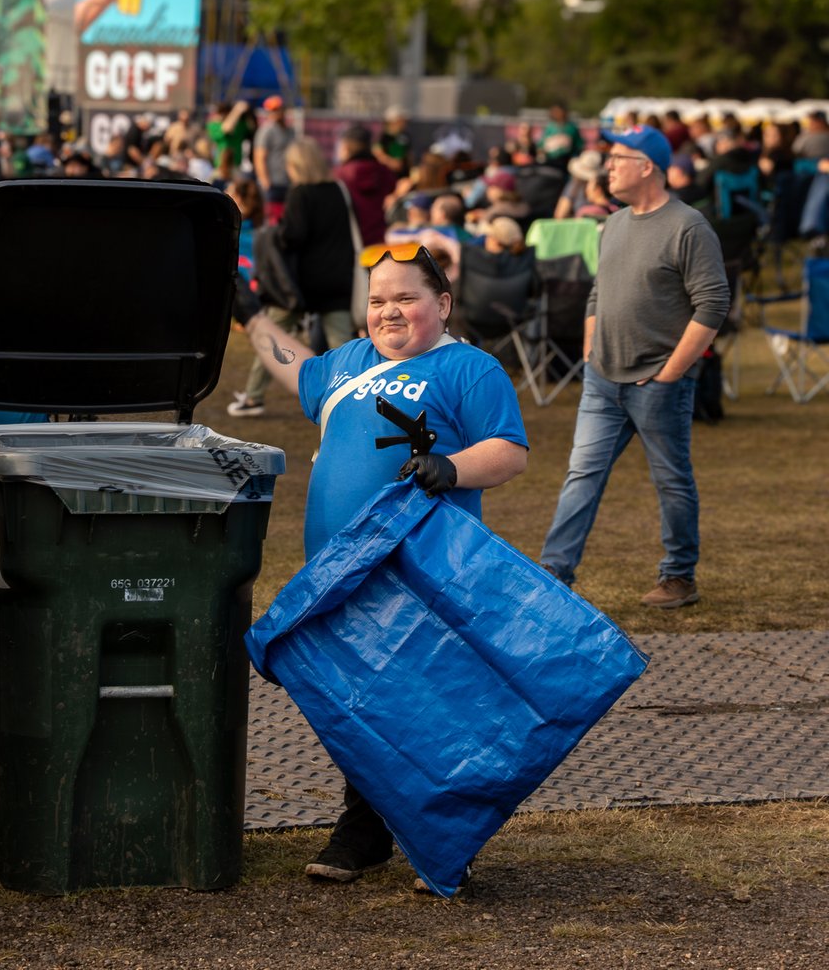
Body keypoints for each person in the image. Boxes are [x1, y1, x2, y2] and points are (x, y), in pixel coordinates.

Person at [233, 243, 529, 885]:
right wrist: (253, 317)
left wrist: (450, 468)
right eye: (376, 301)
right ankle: (363, 828)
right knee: (358, 700)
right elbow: (295, 366)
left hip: (425, 574)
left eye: (405, 298)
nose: (388, 312)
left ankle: (446, 837)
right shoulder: (346, 364)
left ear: (442, 304)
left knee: (430, 701)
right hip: (341, 575)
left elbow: (509, 451)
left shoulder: (469, 369)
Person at [538, 125, 730, 609]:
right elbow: (600, 291)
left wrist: (671, 373)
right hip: (603, 378)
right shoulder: (615, 222)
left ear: (647, 167)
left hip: (656, 383)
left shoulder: (688, 227)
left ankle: (679, 577)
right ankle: (554, 573)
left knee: (671, 479)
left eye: (617, 158)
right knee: (581, 474)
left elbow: (713, 304)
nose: (608, 166)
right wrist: (590, 347)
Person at [228, 137, 356, 418]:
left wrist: (275, 233)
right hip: (337, 279)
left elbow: (292, 237)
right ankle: (353, 399)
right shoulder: (337, 190)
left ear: (296, 165)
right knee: (345, 347)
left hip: (299, 284)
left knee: (271, 336)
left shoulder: (301, 194)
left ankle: (253, 396)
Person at [334, 123, 396, 245]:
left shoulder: (340, 175)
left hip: (349, 242)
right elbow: (392, 187)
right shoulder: (383, 171)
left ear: (346, 147)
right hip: (378, 239)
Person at [253, 96, 295, 222]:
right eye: (273, 110)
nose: (276, 113)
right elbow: (259, 157)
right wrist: (265, 182)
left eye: (278, 109)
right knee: (272, 220)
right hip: (272, 183)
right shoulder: (266, 130)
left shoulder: (289, 131)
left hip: (287, 182)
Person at [373, 105, 412, 177]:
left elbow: (399, 164)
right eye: (401, 120)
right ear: (393, 121)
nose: (404, 123)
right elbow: (396, 164)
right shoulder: (383, 137)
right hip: (389, 179)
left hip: (399, 179)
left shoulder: (402, 137)